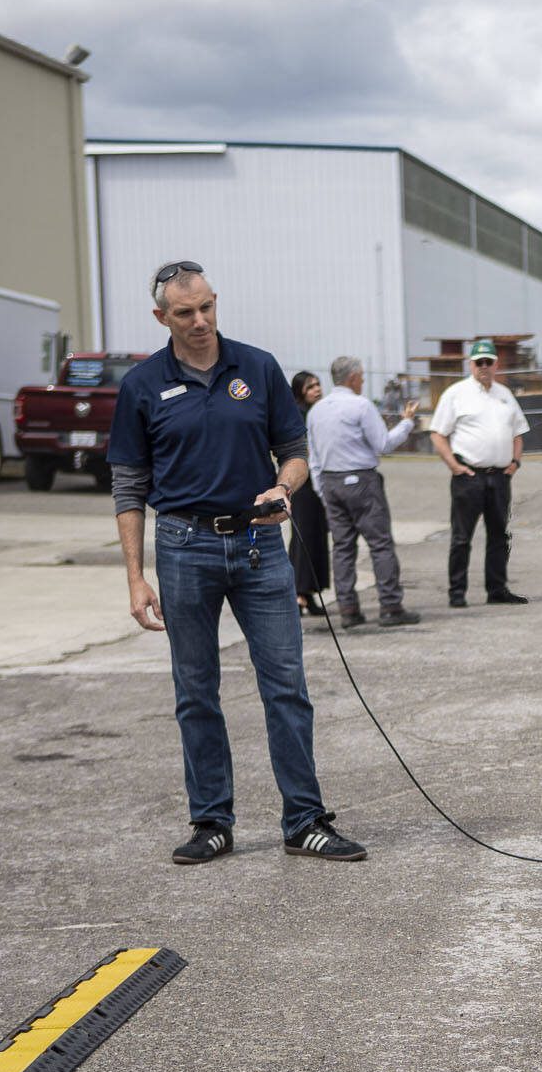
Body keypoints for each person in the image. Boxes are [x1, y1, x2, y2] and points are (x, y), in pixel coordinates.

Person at [107, 260, 366, 865]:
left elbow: (294, 451)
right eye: (184, 314)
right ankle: (212, 823)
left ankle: (304, 820)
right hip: (182, 548)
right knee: (196, 692)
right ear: (160, 317)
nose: (200, 322)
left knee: (287, 687)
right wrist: (135, 577)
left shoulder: (257, 366)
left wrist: (284, 488)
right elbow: (128, 486)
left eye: (207, 308)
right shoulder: (142, 385)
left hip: (256, 546)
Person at [307, 355, 420, 629]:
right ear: (354, 377)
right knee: (380, 544)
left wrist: (321, 489)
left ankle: (348, 608)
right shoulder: (361, 405)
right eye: (362, 376)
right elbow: (383, 444)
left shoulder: (316, 411)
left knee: (343, 547)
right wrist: (406, 422)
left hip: (331, 482)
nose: (364, 380)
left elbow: (313, 456)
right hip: (362, 480)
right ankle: (390, 606)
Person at [429, 338, 530, 607]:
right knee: (462, 537)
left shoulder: (504, 394)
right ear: (470, 364)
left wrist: (515, 463)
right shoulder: (456, 394)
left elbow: (518, 433)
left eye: (489, 361)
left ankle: (497, 590)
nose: (484, 366)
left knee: (499, 535)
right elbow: (438, 434)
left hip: (499, 477)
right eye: (479, 362)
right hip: (469, 477)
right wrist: (454, 465)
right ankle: (457, 593)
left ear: (496, 364)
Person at [287, 371, 331, 617]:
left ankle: (309, 592)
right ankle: (297, 593)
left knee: (316, 537)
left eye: (318, 384)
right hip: (303, 483)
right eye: (310, 386)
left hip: (318, 482)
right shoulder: (298, 415)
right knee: (303, 537)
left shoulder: (318, 412)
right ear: (300, 391)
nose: (316, 389)